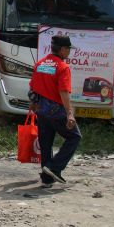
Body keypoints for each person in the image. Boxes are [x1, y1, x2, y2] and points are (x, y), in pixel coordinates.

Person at [30, 34, 80, 185]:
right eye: (69, 49)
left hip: (41, 109)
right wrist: (70, 113)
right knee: (74, 137)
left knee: (46, 143)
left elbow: (32, 87)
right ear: (63, 49)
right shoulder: (62, 67)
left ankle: (46, 179)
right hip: (56, 110)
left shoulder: (40, 64)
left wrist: (33, 104)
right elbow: (64, 91)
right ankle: (54, 167)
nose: (69, 52)